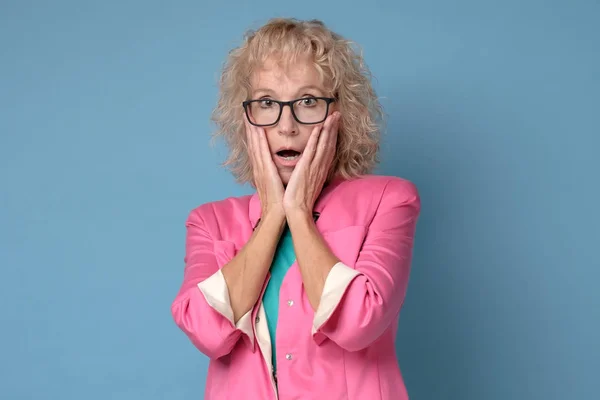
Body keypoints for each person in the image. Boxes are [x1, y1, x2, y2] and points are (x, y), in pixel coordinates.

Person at [171, 17, 421, 400]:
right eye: (267, 103)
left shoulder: (390, 200)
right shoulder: (210, 222)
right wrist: (273, 215)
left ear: (342, 112)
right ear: (247, 119)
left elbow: (358, 322)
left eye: (307, 101)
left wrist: (299, 213)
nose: (287, 125)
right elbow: (208, 333)